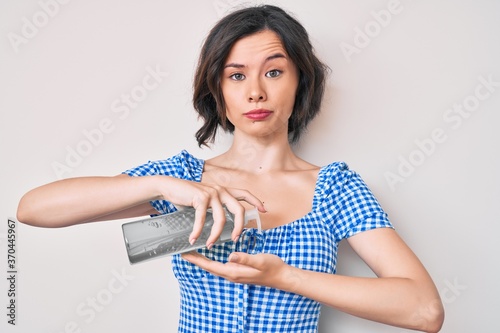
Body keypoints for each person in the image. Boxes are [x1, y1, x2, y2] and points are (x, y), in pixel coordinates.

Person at [17, 4, 444, 333]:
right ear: (217, 90)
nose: (256, 92)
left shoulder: (333, 188)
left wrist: (287, 277)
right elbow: (34, 210)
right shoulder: (182, 178)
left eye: (274, 72)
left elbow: (423, 310)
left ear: (301, 83)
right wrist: (165, 186)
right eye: (236, 76)